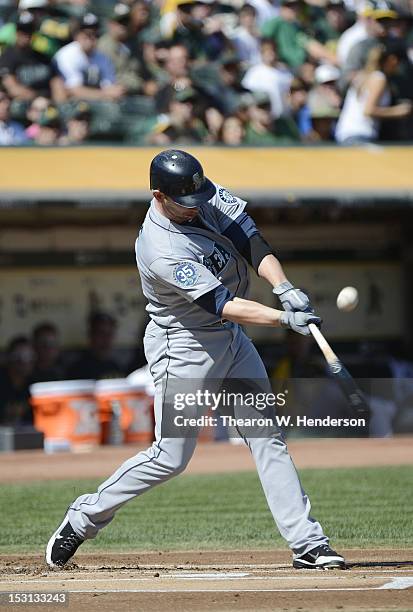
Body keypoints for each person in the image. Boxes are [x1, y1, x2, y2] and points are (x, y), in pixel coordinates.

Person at [46, 149, 346, 572]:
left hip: (231, 340)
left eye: (198, 197)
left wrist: (284, 287)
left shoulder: (199, 191)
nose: (197, 206)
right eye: (186, 202)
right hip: (184, 347)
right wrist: (282, 318)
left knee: (266, 436)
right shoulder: (160, 247)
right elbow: (220, 304)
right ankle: (83, 517)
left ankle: (308, 544)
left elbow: (250, 239)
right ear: (158, 196)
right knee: (171, 457)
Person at [335, 42, 412, 144]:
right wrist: (399, 111)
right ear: (392, 60)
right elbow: (368, 111)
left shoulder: (366, 75)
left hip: (348, 134)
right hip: (358, 135)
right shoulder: (378, 78)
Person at [53, 12, 126, 101]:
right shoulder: (66, 55)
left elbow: (110, 87)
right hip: (70, 105)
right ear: (76, 35)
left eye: (96, 34)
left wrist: (112, 92)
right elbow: (74, 90)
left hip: (96, 103)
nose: (92, 38)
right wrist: (104, 94)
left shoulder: (102, 57)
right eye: (87, 34)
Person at [0, 11, 66, 102]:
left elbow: (56, 82)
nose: (25, 35)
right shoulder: (7, 56)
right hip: (25, 104)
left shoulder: (41, 56)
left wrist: (59, 103)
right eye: (22, 30)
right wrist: (37, 98)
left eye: (29, 31)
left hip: (47, 103)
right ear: (16, 31)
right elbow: (13, 88)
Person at [66, 311, 123, 380]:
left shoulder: (117, 367)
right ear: (90, 336)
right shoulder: (77, 370)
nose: (106, 339)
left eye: (109, 334)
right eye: (101, 333)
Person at [0, 336, 34, 426]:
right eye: (19, 356)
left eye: (28, 356)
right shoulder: (2, 380)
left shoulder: (34, 383)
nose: (24, 362)